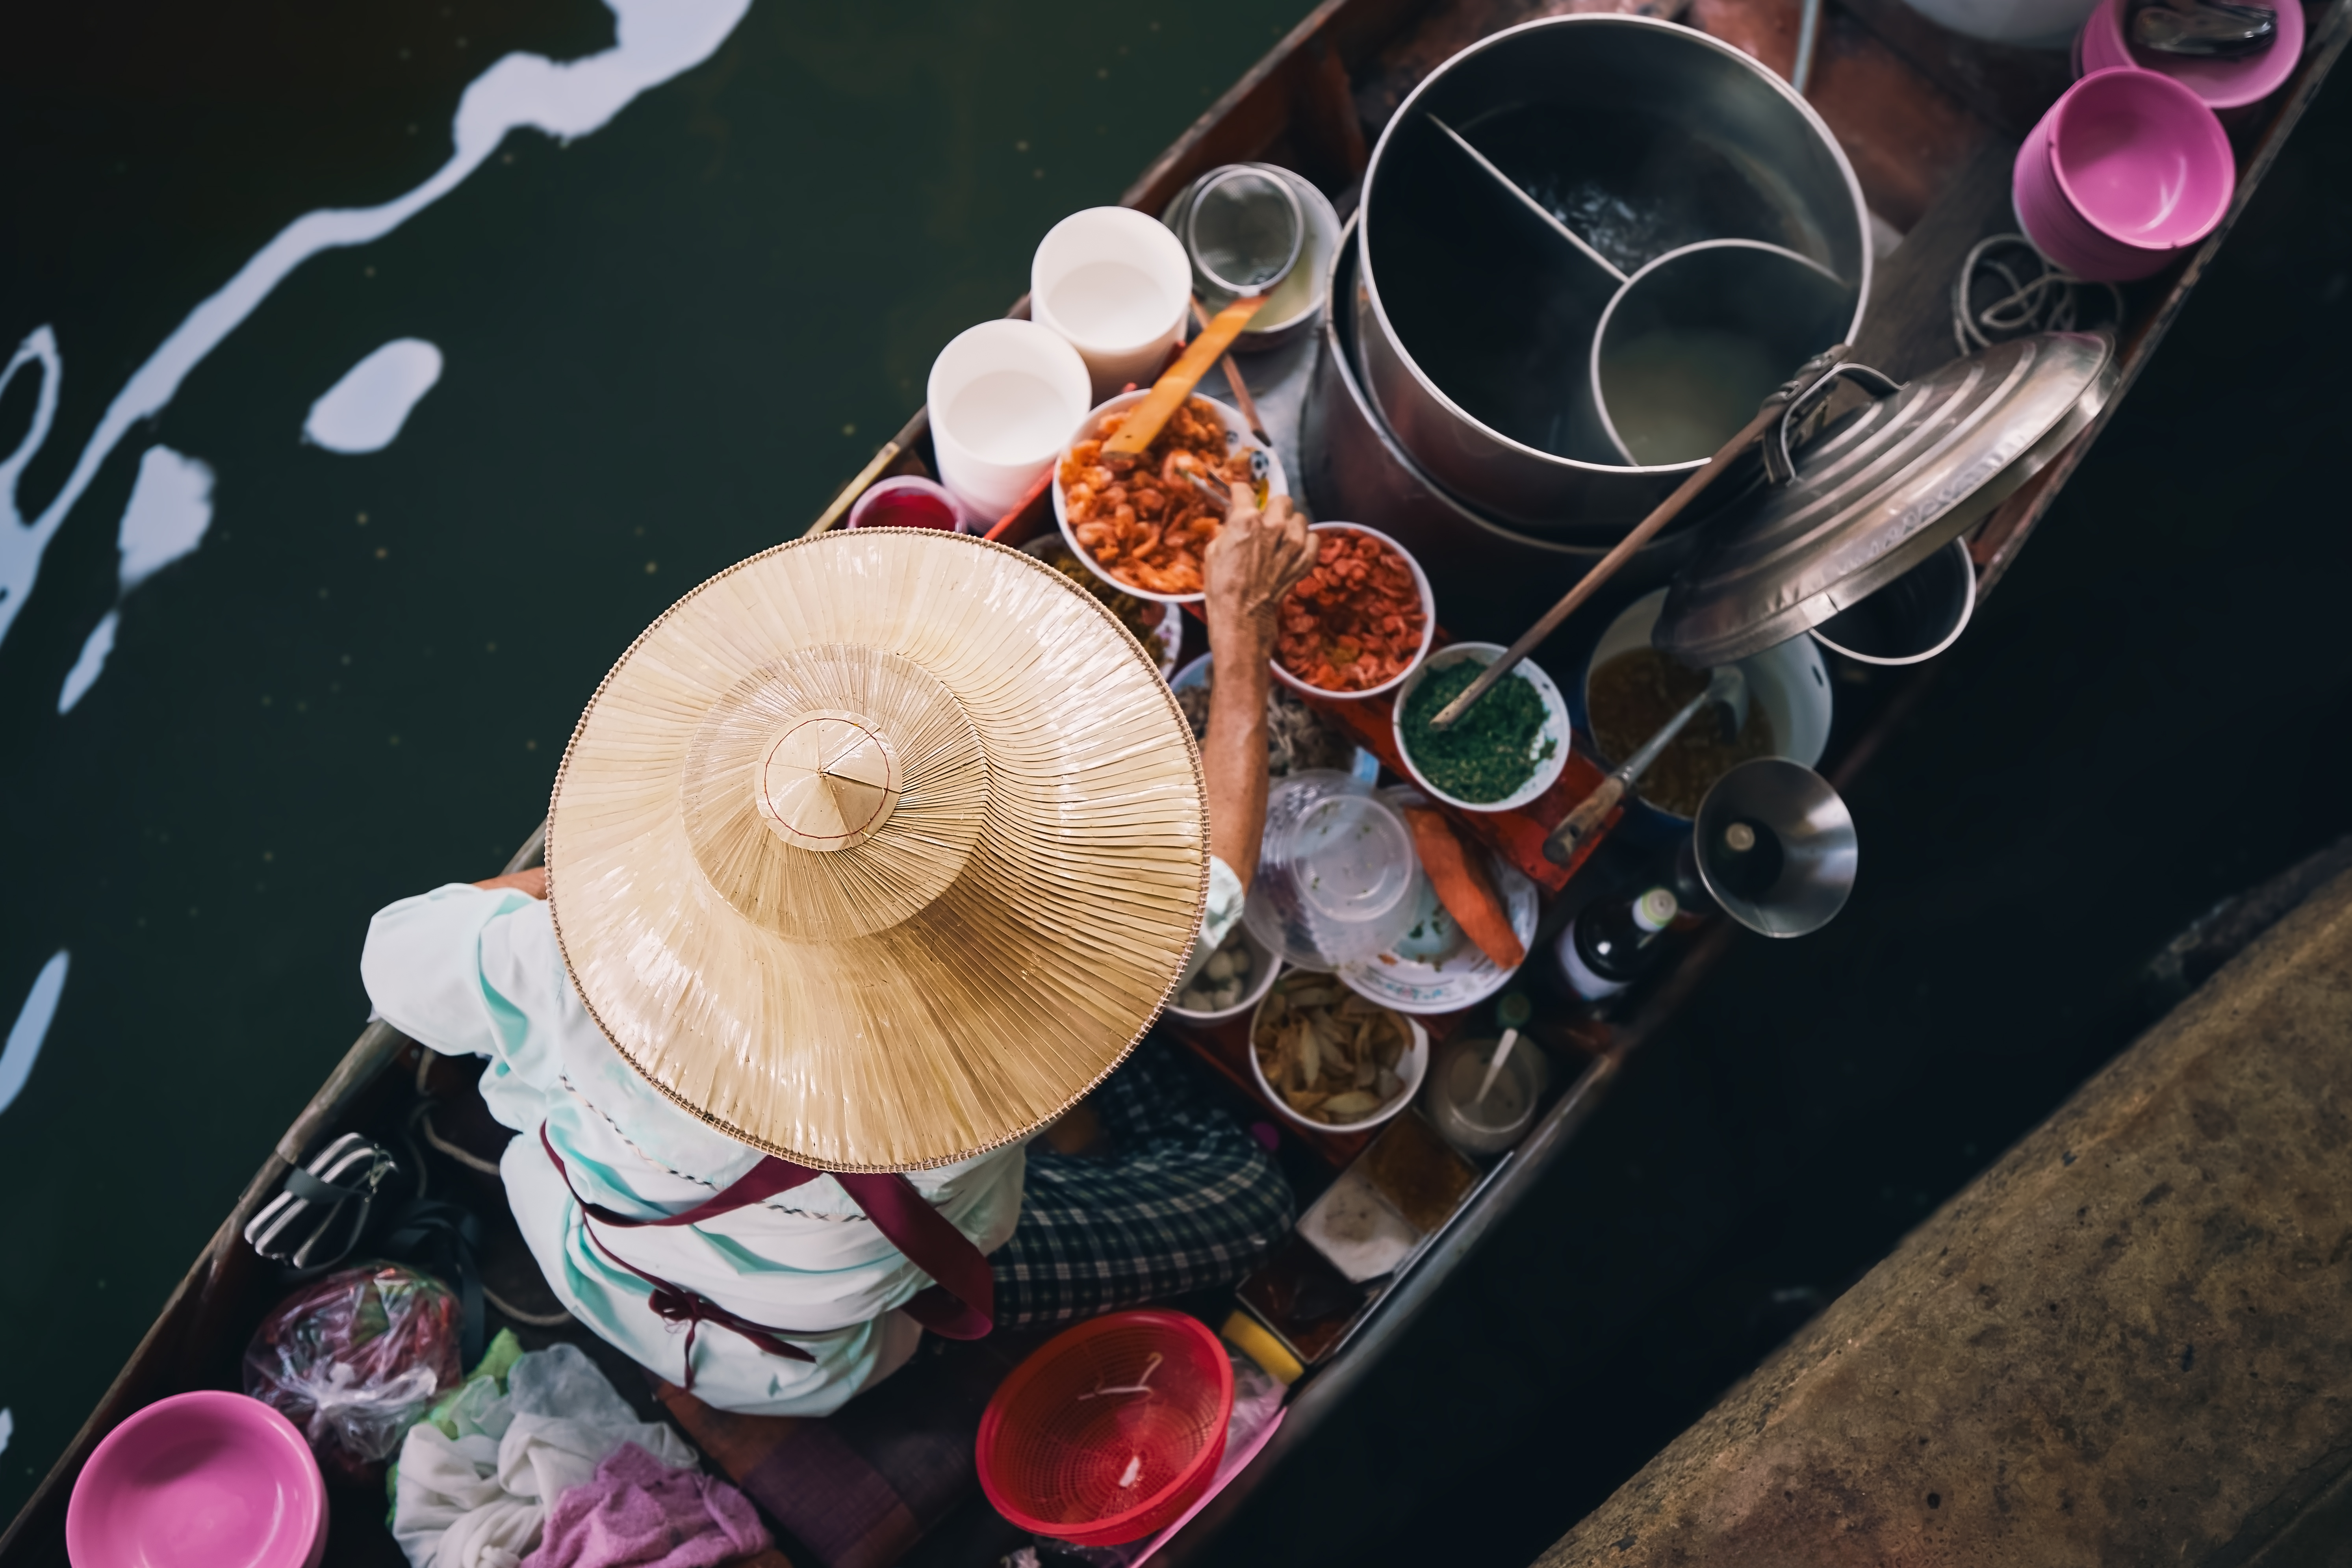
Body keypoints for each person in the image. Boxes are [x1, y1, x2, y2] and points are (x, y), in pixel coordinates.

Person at [361, 488, 1317, 1416]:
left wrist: (585, 891)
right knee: (1249, 1196)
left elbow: (393, 957)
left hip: (598, 1253)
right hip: (817, 1352)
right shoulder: (1020, 1016)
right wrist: (1242, 638)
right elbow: (1212, 879)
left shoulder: (562, 962)